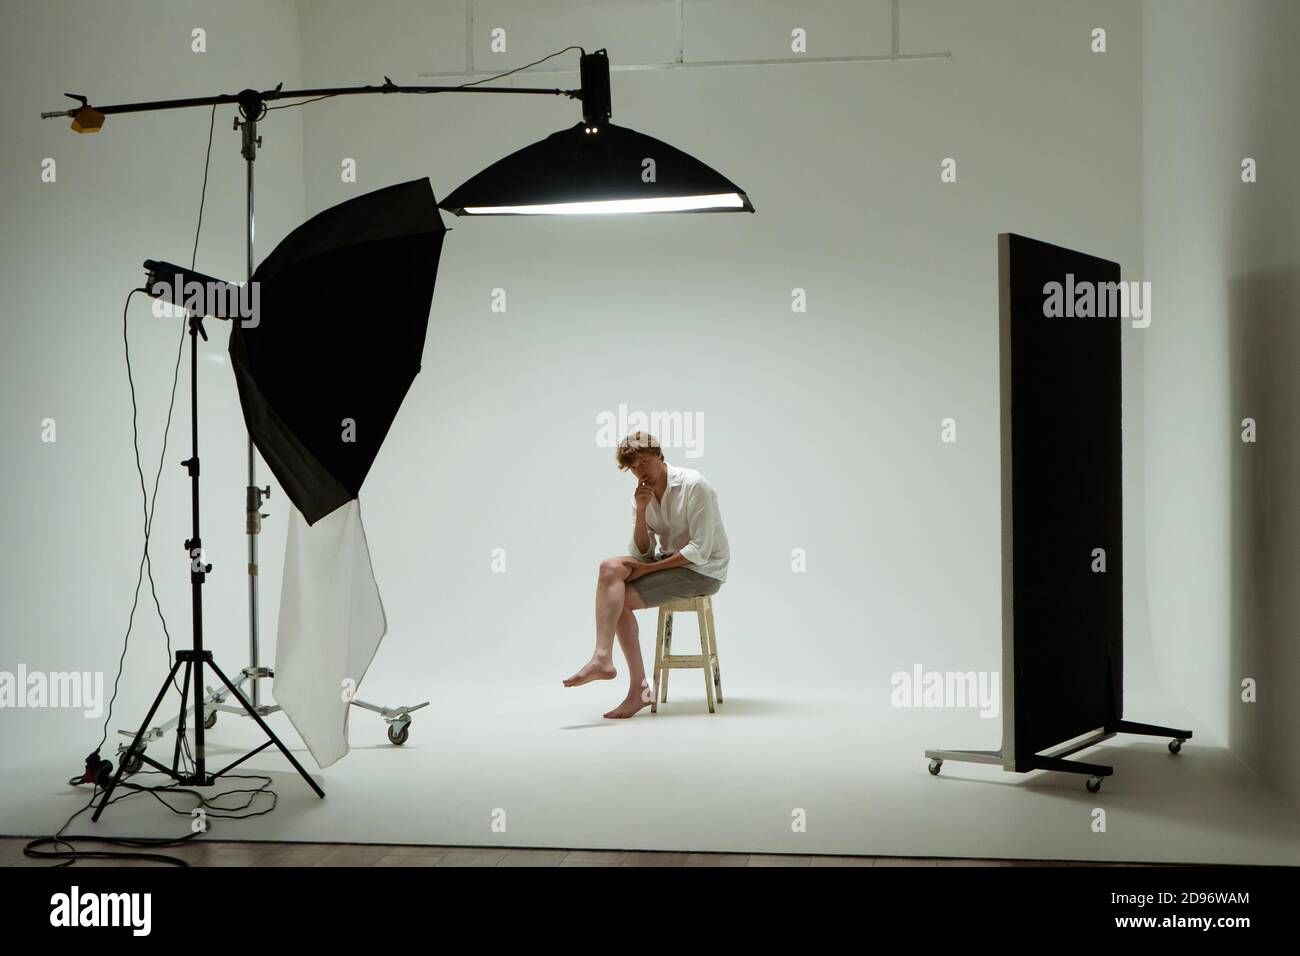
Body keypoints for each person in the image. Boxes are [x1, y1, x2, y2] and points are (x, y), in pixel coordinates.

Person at [563, 431, 730, 718]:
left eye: (644, 462)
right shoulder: (642, 494)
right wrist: (641, 510)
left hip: (703, 571)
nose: (640, 471)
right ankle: (602, 657)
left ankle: (638, 691)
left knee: (618, 601)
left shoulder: (694, 485)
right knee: (609, 568)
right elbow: (642, 552)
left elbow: (700, 551)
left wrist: (649, 569)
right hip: (669, 561)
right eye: (633, 467)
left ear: (660, 456)